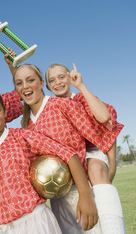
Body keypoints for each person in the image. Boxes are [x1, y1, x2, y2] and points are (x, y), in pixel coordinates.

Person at [6, 61, 123, 233]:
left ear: (41, 84)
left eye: (30, 80)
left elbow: (102, 129)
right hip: (58, 200)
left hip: (82, 192)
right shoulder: (25, 123)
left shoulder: (63, 105)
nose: (25, 86)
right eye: (19, 83)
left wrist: (111, 167)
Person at [0, 90, 98, 234]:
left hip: (36, 221)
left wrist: (86, 195)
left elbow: (69, 154)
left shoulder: (22, 136)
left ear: (5, 112)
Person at [45, 63, 126, 234]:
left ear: (69, 77)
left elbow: (105, 118)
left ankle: (114, 228)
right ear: (47, 86)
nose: (58, 82)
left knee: (95, 168)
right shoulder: (51, 109)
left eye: (61, 77)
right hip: (73, 156)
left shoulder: (80, 98)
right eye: (52, 80)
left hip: (95, 148)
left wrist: (80, 85)